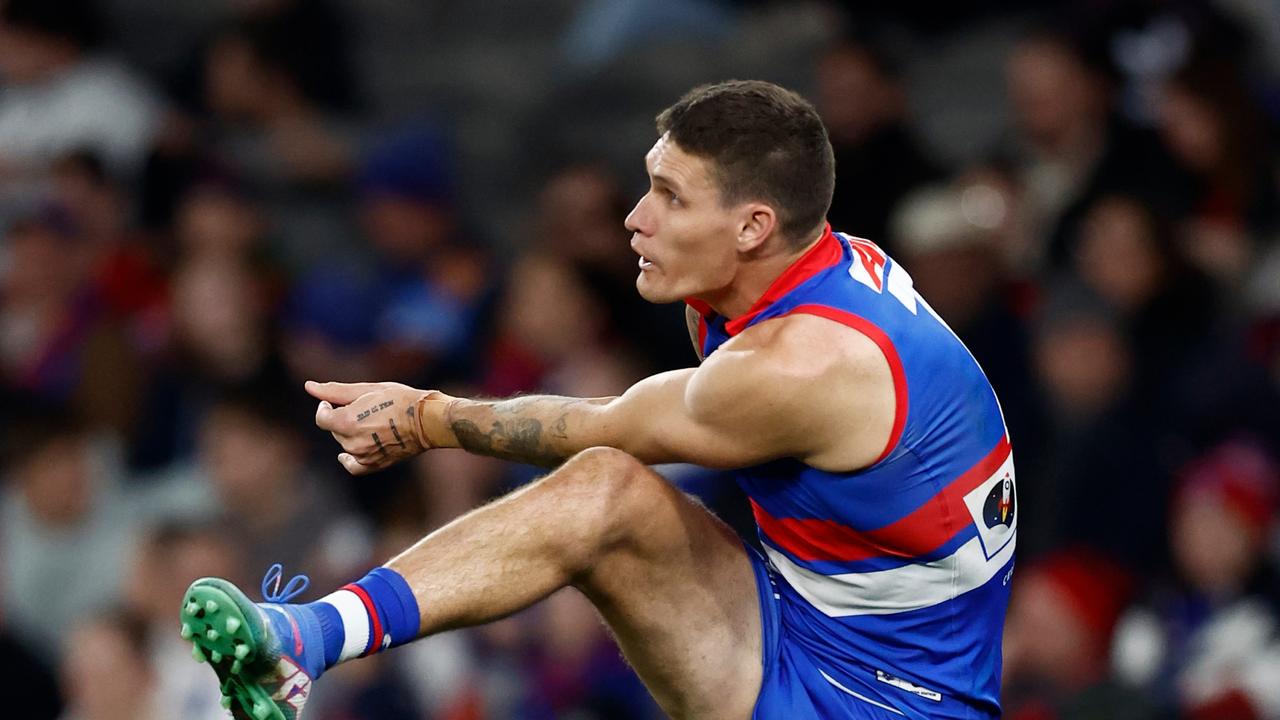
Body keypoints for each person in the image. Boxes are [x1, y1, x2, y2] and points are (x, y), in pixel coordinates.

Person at [181, 80, 1017, 719]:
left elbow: (597, 425)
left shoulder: (796, 367)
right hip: (808, 620)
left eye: (671, 198)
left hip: (879, 703)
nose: (634, 218)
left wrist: (428, 417)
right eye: (650, 184)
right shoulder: (802, 270)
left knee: (603, 476)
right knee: (608, 490)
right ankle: (306, 644)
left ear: (754, 227)